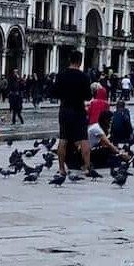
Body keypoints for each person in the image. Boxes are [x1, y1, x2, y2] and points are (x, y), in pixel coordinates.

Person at [54, 50, 93, 178]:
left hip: (65, 110)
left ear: (70, 60)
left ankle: (61, 168)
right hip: (79, 110)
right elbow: (88, 96)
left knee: (63, 139)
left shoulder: (61, 75)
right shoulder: (84, 77)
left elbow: (54, 93)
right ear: (80, 62)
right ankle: (87, 167)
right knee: (83, 139)